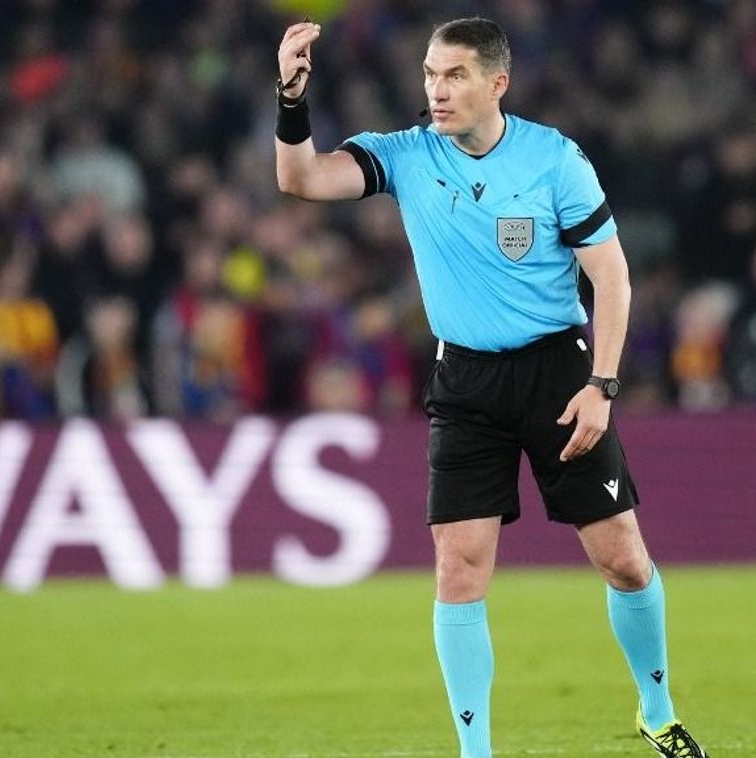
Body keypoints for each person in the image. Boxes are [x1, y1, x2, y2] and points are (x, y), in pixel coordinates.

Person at [274, 17, 708, 758]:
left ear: (497, 82)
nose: (436, 91)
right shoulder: (406, 155)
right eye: (429, 74)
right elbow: (301, 179)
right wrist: (291, 98)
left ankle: (657, 710)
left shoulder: (553, 160)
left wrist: (602, 385)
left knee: (623, 559)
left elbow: (611, 277)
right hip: (466, 380)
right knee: (458, 568)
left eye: (454, 75)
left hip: (558, 373)